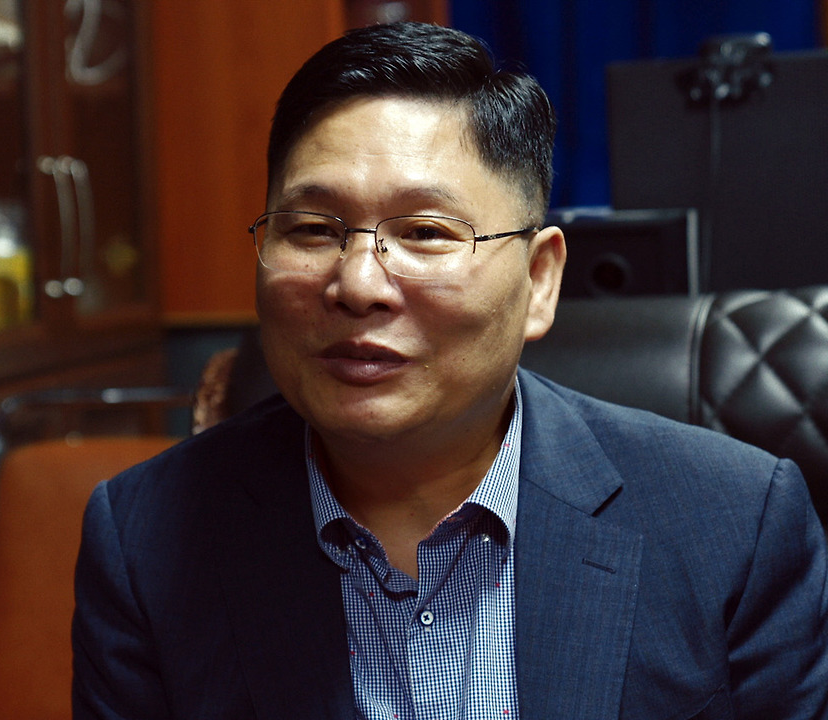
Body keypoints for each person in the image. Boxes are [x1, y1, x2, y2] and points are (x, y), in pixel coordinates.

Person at [72, 21, 828, 720]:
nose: (357, 284)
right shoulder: (146, 538)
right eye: (312, 229)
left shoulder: (737, 524)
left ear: (539, 281)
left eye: (425, 232)